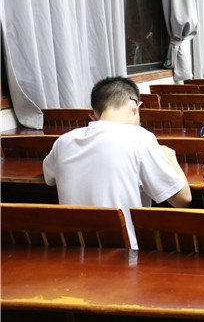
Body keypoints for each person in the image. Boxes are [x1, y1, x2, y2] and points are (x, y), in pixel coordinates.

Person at [43, 77, 192, 249]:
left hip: (74, 252)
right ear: (135, 106)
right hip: (125, 254)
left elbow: (48, 178)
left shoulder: (64, 141)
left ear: (95, 114)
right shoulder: (140, 138)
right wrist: (170, 156)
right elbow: (183, 199)